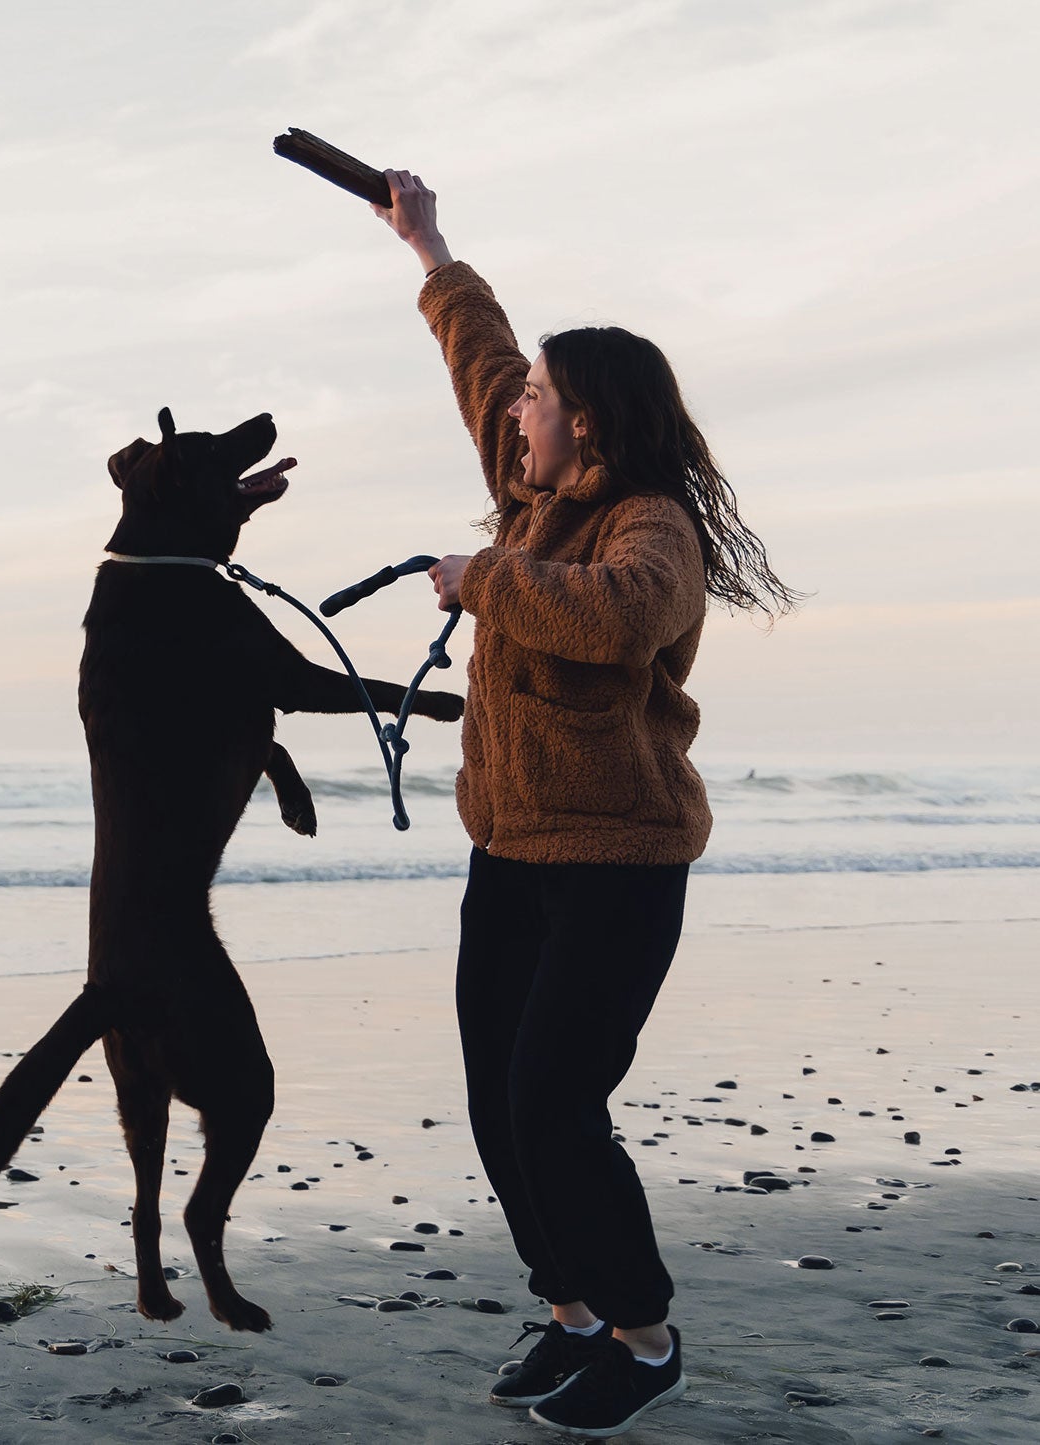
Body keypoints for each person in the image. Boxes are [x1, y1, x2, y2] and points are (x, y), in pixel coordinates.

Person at [372, 169, 799, 1438]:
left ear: (593, 426)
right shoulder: (536, 497)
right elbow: (485, 362)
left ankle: (644, 1334)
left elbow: (622, 619)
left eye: (544, 403)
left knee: (557, 1101)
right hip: (510, 849)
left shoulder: (648, 524)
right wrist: (429, 245)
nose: (517, 416)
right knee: (500, 1096)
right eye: (523, 404)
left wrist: (484, 578)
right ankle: (567, 1308)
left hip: (617, 859)